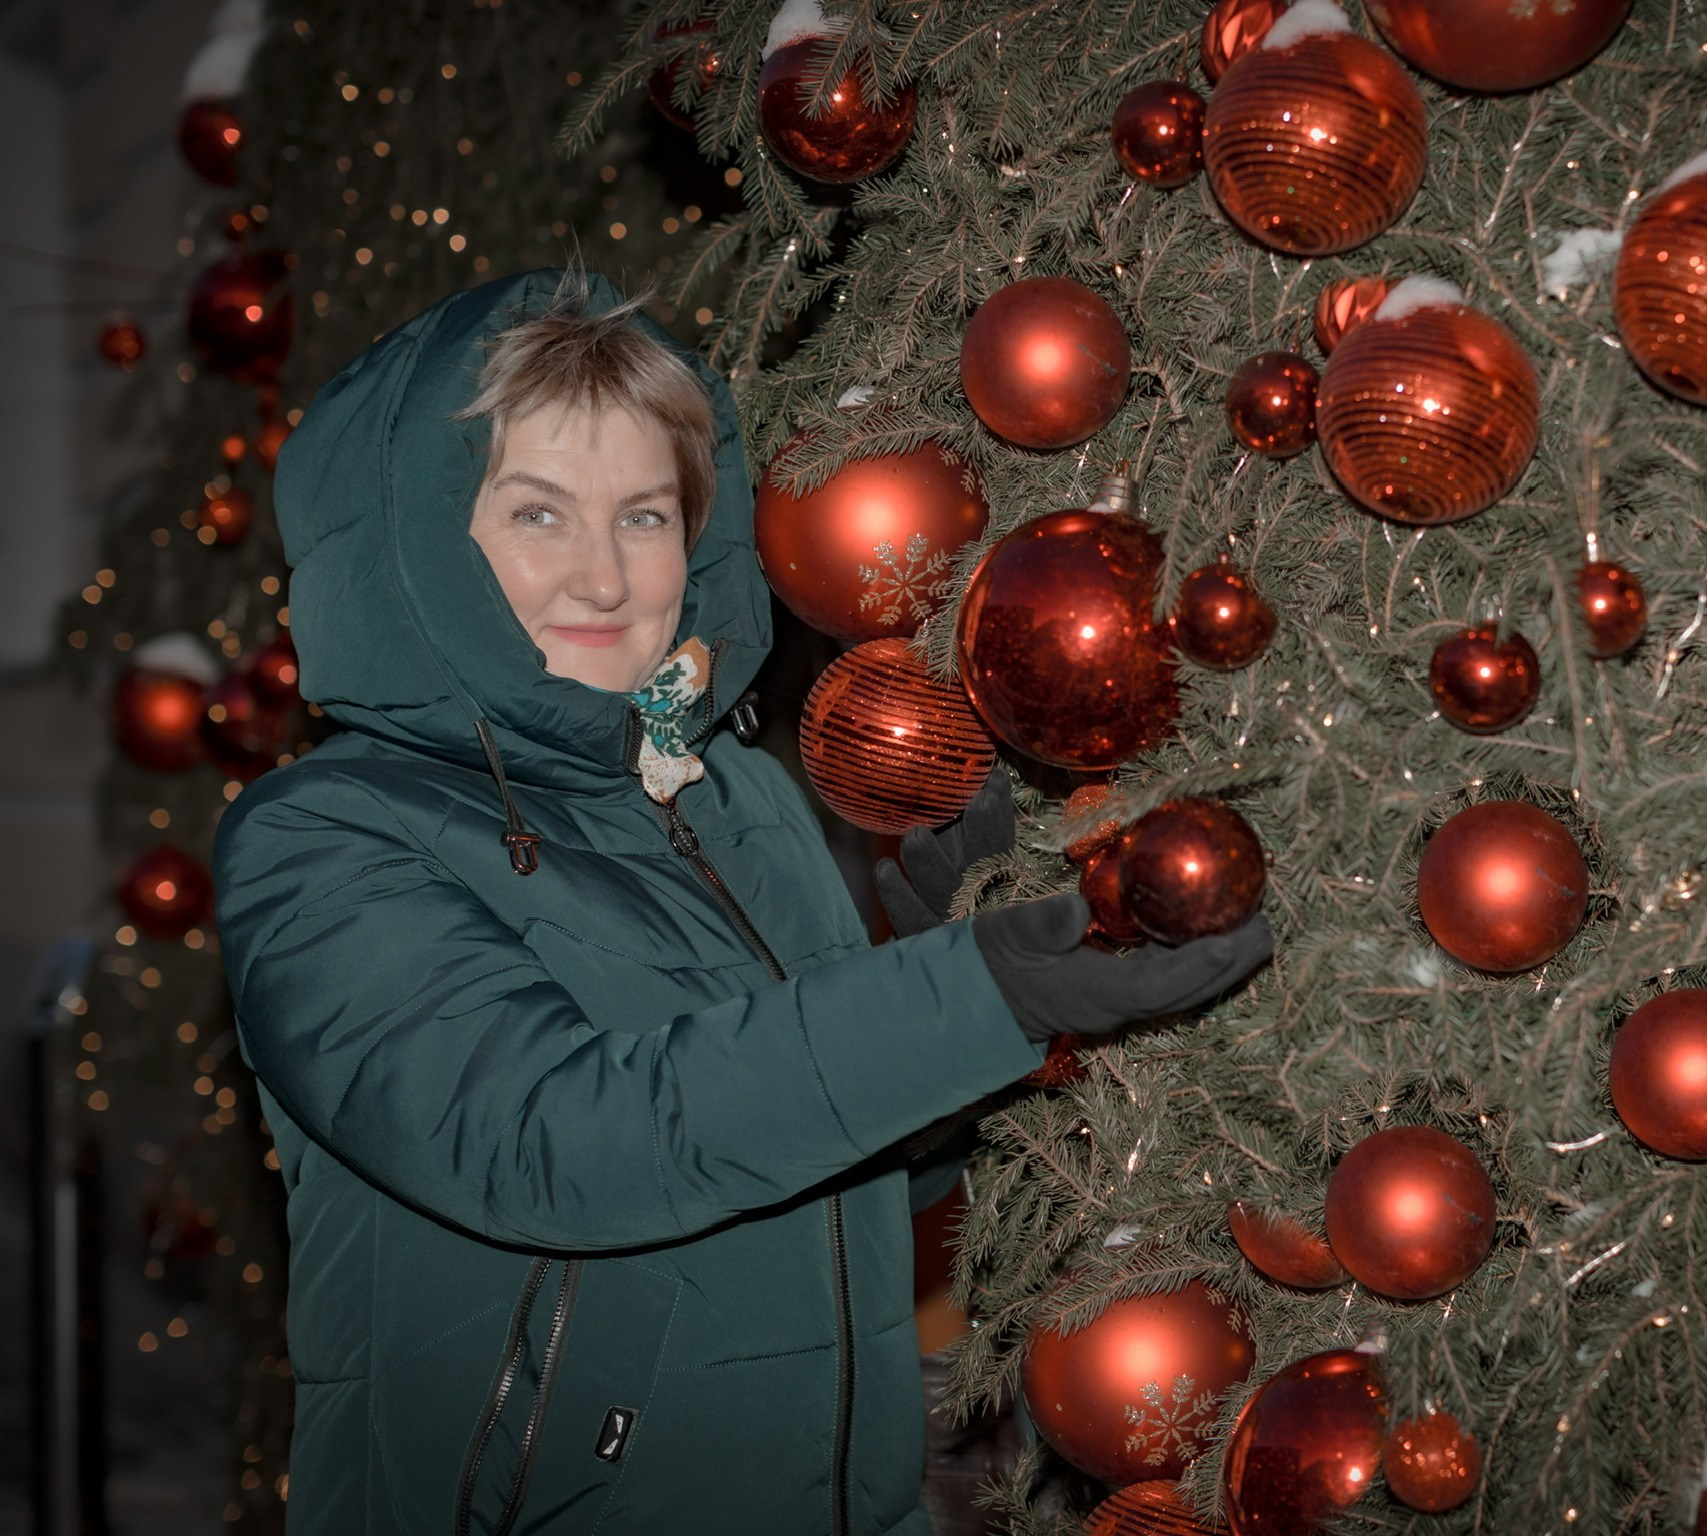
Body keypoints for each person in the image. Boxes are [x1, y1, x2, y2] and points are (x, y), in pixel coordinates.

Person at [212, 268, 1272, 1535]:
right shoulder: (321, 840)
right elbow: (563, 1140)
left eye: (647, 517)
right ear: (426, 542)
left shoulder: (732, 803)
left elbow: (855, 1178)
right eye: (538, 515)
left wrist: (976, 996)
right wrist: (978, 986)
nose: (605, 580)